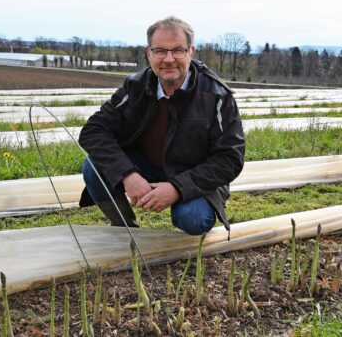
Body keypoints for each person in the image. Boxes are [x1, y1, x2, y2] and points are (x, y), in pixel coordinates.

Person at [78, 16, 245, 236]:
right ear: (149, 53)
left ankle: (190, 205)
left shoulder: (216, 96)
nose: (168, 59)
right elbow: (93, 130)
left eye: (177, 50)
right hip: (145, 166)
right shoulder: (136, 87)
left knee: (194, 219)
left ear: (191, 52)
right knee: (94, 167)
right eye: (160, 51)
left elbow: (230, 158)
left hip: (192, 173)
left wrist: (176, 188)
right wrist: (127, 175)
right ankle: (124, 227)